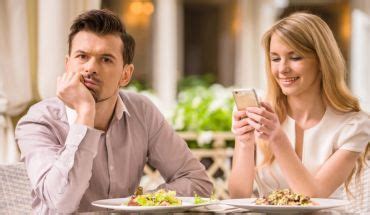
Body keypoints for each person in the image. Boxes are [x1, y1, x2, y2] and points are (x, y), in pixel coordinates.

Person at [15, 9, 212, 213]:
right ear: (68, 65)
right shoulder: (38, 121)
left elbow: (197, 182)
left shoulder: (142, 111)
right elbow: (60, 204)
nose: (90, 68)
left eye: (106, 59)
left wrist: (141, 204)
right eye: (82, 56)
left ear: (125, 75)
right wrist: (85, 113)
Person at [229, 12, 370, 202]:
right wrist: (245, 142)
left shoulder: (353, 126)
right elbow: (238, 196)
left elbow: (313, 198)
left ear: (322, 61)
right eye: (275, 59)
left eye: (295, 57)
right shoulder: (262, 111)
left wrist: (277, 138)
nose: (282, 69)